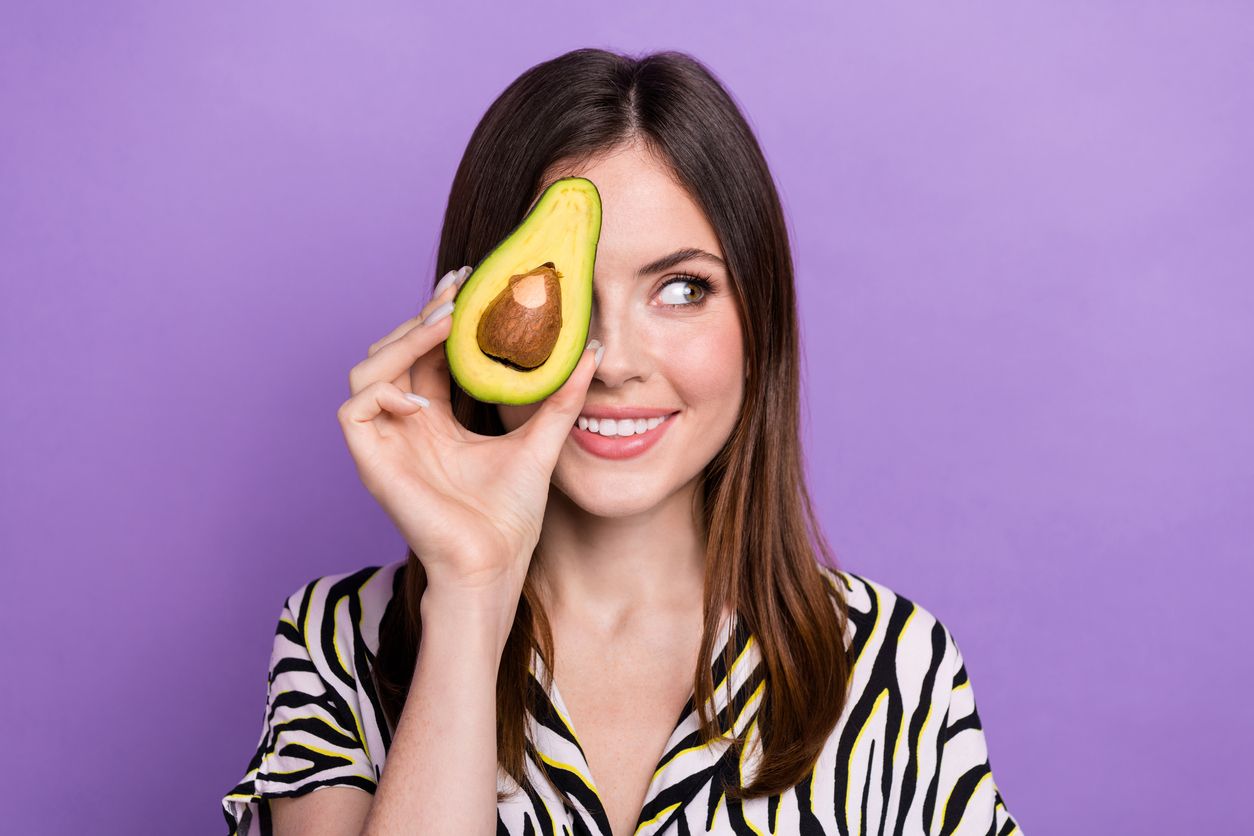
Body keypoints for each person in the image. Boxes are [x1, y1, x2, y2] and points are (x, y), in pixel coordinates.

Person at [221, 48, 1022, 836]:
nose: (615, 364)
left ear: (759, 323)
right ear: (468, 315)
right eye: (554, 295)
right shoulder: (338, 640)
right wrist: (470, 590)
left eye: (681, 290)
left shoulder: (893, 665)